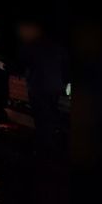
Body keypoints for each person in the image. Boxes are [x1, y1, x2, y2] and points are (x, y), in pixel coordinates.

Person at [15, 19, 69, 157]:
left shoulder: (30, 45)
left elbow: (22, 64)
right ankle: (54, 138)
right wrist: (63, 82)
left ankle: (46, 147)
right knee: (51, 110)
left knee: (41, 117)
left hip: (38, 87)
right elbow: (65, 66)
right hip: (55, 86)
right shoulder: (57, 45)